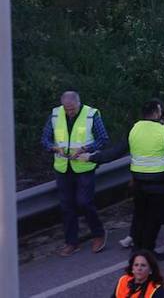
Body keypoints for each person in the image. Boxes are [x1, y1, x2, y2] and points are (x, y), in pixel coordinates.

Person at [44, 90, 108, 256]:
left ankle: (99, 234)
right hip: (63, 168)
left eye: (72, 109)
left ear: (79, 104)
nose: (69, 112)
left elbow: (103, 139)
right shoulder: (55, 114)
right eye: (67, 109)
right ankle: (72, 242)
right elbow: (45, 139)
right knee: (66, 206)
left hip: (84, 167)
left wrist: (85, 149)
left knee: (84, 202)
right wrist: (53, 147)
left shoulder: (91, 115)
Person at [128, 100, 164, 254]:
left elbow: (118, 149)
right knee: (153, 221)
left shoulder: (135, 128)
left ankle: (137, 249)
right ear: (156, 113)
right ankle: (148, 251)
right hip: (160, 184)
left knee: (140, 217)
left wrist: (94, 157)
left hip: (139, 183)